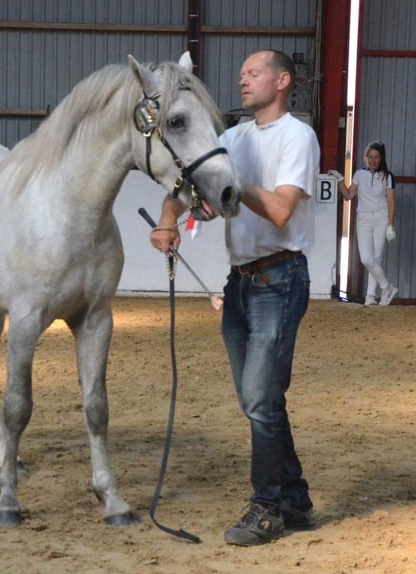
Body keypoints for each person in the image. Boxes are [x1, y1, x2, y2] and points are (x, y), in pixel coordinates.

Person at [150, 49, 318, 546]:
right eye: (241, 73)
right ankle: (296, 500)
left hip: (280, 278)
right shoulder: (229, 138)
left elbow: (283, 211)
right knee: (258, 401)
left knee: (261, 400)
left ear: (283, 80)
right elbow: (184, 184)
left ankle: (266, 507)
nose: (242, 81)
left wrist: (231, 183)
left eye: (253, 73)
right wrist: (167, 220)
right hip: (241, 283)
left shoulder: (297, 137)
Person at [329, 141, 398, 306]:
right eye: (371, 157)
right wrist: (340, 179)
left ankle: (370, 296)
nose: (373, 160)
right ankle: (387, 287)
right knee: (366, 259)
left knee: (376, 257)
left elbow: (391, 201)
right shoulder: (359, 174)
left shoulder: (387, 177)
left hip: (381, 217)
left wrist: (390, 225)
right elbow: (348, 195)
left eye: (376, 157)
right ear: (366, 158)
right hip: (363, 218)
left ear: (381, 159)